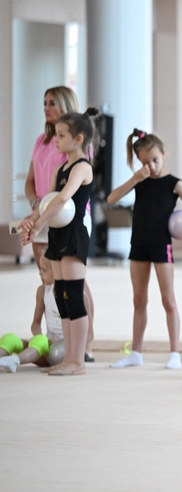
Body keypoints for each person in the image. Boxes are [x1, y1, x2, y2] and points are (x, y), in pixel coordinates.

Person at [108, 129, 182, 370]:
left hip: (161, 245)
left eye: (155, 160)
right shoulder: (139, 182)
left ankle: (175, 352)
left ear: (164, 155)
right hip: (138, 245)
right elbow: (111, 199)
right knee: (139, 300)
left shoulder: (174, 183)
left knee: (168, 300)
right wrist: (135, 179)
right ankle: (136, 352)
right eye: (144, 162)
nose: (150, 166)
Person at [19, 108, 100, 376]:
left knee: (74, 296)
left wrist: (39, 225)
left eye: (62, 135)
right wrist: (31, 221)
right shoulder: (60, 168)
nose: (55, 139)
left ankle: (77, 360)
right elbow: (47, 201)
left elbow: (64, 198)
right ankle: (68, 357)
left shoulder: (82, 167)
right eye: (56, 134)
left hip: (74, 235)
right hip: (57, 233)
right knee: (61, 295)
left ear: (78, 139)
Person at [0, 257, 63, 372]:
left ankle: (15, 361)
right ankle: (6, 359)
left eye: (44, 270)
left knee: (41, 342)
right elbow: (35, 323)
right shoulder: (42, 291)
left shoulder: (80, 296)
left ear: (56, 271)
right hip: (46, 344)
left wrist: (62, 341)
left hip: (63, 349)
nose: (40, 273)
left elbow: (89, 335)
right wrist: (38, 335)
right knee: (10, 339)